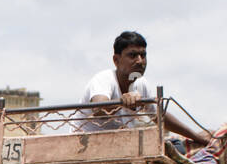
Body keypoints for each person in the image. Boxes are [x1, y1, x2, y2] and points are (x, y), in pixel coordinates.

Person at [80, 31, 211, 143]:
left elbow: (159, 116)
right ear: (116, 60)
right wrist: (122, 101)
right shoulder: (104, 78)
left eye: (143, 55)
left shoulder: (141, 84)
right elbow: (99, 108)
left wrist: (197, 137)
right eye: (132, 55)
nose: (140, 61)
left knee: (175, 145)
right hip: (88, 143)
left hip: (121, 143)